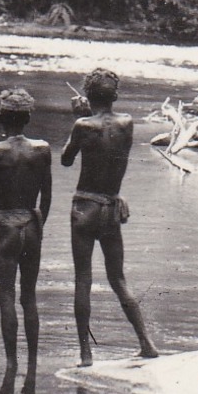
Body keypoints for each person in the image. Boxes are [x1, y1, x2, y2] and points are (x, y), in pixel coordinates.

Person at [60, 68, 158, 366]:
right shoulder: (127, 123)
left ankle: (86, 354)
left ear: (87, 95)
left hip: (85, 206)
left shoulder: (82, 125)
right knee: (118, 278)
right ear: (115, 95)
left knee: (83, 279)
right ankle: (147, 343)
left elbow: (66, 160)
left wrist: (77, 118)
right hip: (111, 206)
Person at [0, 88, 52, 369]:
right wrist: (38, 224)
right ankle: (32, 362)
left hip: (5, 224)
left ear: (1, 117)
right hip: (31, 223)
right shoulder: (42, 149)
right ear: (27, 118)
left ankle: (12, 363)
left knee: (6, 294)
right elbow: (46, 196)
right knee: (29, 295)